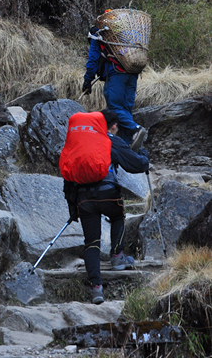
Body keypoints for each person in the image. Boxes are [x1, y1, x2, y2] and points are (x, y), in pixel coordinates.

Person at [65, 109, 149, 305]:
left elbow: (68, 178)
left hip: (84, 198)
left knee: (91, 242)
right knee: (119, 216)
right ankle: (117, 256)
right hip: (108, 194)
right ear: (113, 126)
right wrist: (144, 155)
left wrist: (72, 208)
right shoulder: (111, 140)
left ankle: (96, 289)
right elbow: (137, 165)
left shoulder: (78, 144)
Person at [82, 22, 146, 149]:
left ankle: (135, 129)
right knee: (125, 110)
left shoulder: (97, 36)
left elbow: (93, 61)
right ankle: (129, 144)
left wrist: (87, 81)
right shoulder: (122, 37)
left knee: (115, 108)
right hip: (132, 73)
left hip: (116, 74)